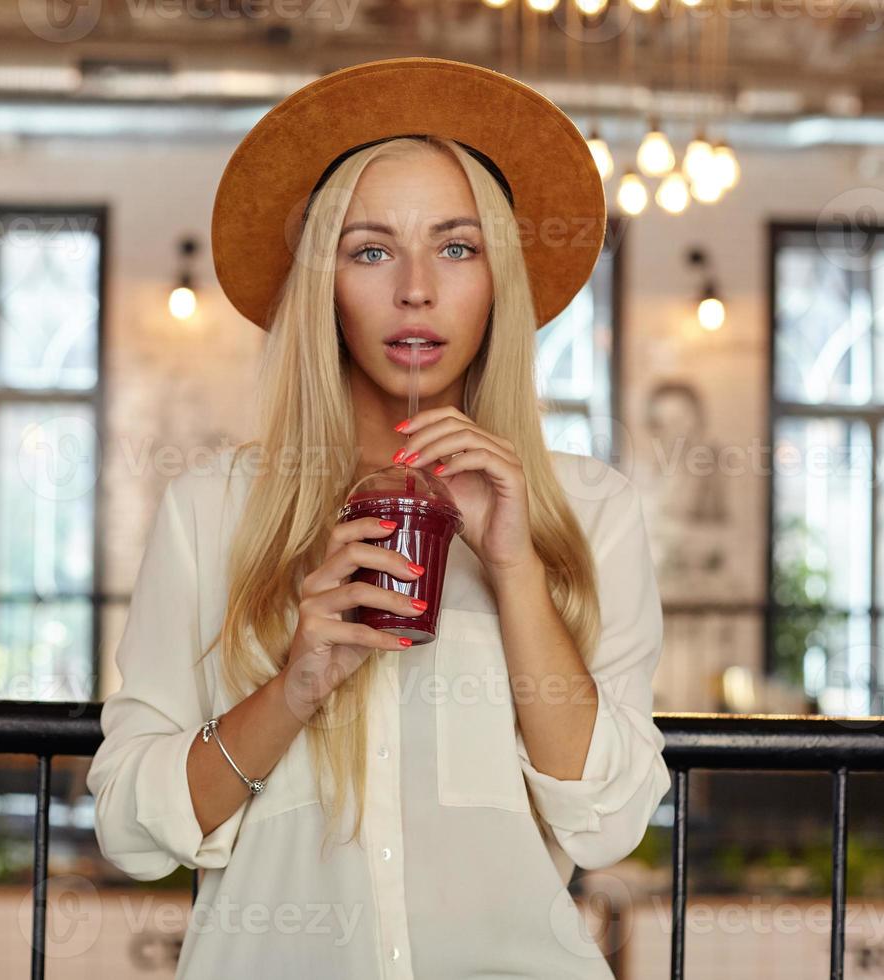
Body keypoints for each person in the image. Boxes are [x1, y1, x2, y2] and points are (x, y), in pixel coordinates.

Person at [87, 56, 672, 979]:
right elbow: (128, 827)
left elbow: (607, 823)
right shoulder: (211, 510)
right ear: (323, 282)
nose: (415, 289)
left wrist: (517, 569)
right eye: (370, 250)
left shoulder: (590, 512)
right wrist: (294, 687)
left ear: (497, 280)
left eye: (456, 246)